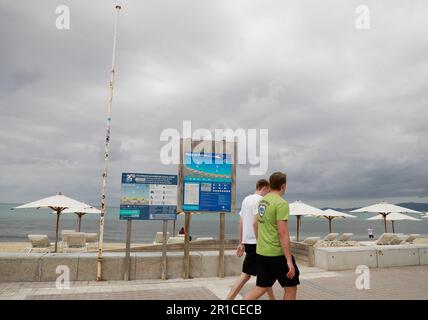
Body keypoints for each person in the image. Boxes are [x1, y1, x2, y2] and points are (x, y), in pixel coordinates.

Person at [243, 172, 300, 300]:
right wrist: (289, 260)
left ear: (271, 184)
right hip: (277, 254)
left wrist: (261, 242)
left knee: (261, 287)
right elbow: (282, 233)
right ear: (283, 186)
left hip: (262, 252)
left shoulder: (263, 200)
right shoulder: (281, 203)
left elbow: (254, 223)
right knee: (290, 287)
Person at [226, 179, 274, 300]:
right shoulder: (261, 200)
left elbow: (241, 222)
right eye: (268, 190)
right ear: (265, 187)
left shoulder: (246, 200)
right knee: (246, 275)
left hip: (248, 242)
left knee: (265, 275)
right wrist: (261, 241)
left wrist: (241, 242)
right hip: (257, 243)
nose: (269, 193)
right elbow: (256, 223)